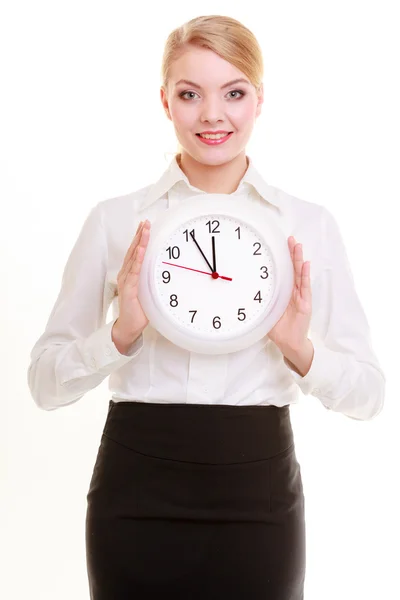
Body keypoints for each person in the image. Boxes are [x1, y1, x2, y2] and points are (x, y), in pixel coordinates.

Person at [27, 14, 385, 600]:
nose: (212, 115)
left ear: (260, 100)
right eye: (190, 94)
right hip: (136, 484)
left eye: (234, 93)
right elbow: (45, 382)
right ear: (165, 102)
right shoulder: (115, 221)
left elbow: (370, 394)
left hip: (259, 489)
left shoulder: (307, 225)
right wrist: (120, 336)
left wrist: (299, 350)